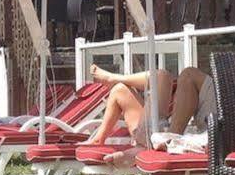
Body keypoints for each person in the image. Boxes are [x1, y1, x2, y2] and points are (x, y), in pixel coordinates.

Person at [82, 62, 212, 147]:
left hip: (160, 139)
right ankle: (97, 140)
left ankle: (114, 78)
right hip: (159, 134)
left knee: (162, 76)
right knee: (120, 89)